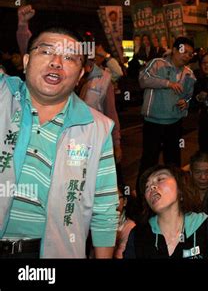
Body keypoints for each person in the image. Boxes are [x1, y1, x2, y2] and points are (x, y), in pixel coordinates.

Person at [0, 27, 119, 258]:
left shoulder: (97, 128)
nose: (56, 62)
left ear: (80, 77)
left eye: (69, 57)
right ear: (26, 61)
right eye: (46, 52)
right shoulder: (4, 95)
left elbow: (104, 208)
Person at [138, 37, 196, 181]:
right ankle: (142, 196)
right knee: (149, 160)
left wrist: (186, 102)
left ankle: (174, 192)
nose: (186, 55)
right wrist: (167, 83)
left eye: (190, 53)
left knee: (173, 162)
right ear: (175, 50)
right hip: (153, 122)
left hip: (174, 123)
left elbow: (189, 96)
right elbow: (143, 80)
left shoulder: (189, 73)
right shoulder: (158, 63)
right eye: (183, 51)